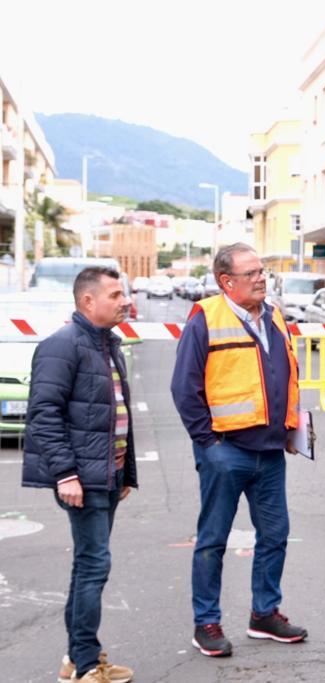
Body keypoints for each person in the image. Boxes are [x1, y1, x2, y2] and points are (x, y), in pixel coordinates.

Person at [171, 243, 307, 658]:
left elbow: (285, 376)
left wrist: (291, 427)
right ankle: (206, 623)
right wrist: (208, 443)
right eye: (251, 273)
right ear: (226, 281)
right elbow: (184, 387)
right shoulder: (206, 318)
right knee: (213, 540)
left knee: (275, 535)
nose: (261, 278)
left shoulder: (275, 316)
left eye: (262, 271)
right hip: (226, 451)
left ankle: (264, 614)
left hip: (270, 451)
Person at [22, 266, 138, 683]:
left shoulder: (108, 344)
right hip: (83, 478)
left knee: (89, 564)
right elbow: (43, 415)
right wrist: (66, 474)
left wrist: (126, 473)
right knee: (94, 565)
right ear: (88, 301)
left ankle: (77, 658)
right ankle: (86, 665)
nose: (125, 301)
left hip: (107, 474)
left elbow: (113, 413)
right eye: (115, 295)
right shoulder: (62, 345)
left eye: (123, 293)